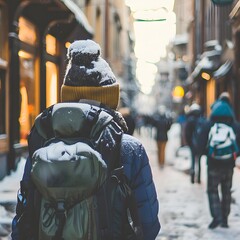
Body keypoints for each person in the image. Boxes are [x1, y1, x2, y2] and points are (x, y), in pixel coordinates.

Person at [11, 40, 160, 239]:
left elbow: (24, 217)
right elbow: (148, 225)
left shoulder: (43, 141)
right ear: (110, 97)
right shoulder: (129, 149)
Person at [200, 92, 240, 229]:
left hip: (213, 163)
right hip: (229, 164)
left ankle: (216, 216)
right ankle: (225, 219)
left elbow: (202, 142)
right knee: (226, 190)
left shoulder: (210, 123)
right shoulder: (235, 125)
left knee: (212, 190)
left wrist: (206, 153)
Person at [184, 103, 204, 184]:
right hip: (199, 143)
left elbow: (187, 133)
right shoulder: (201, 119)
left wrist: (189, 142)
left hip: (192, 143)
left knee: (192, 160)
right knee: (198, 161)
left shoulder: (190, 120)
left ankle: (192, 177)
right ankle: (198, 178)